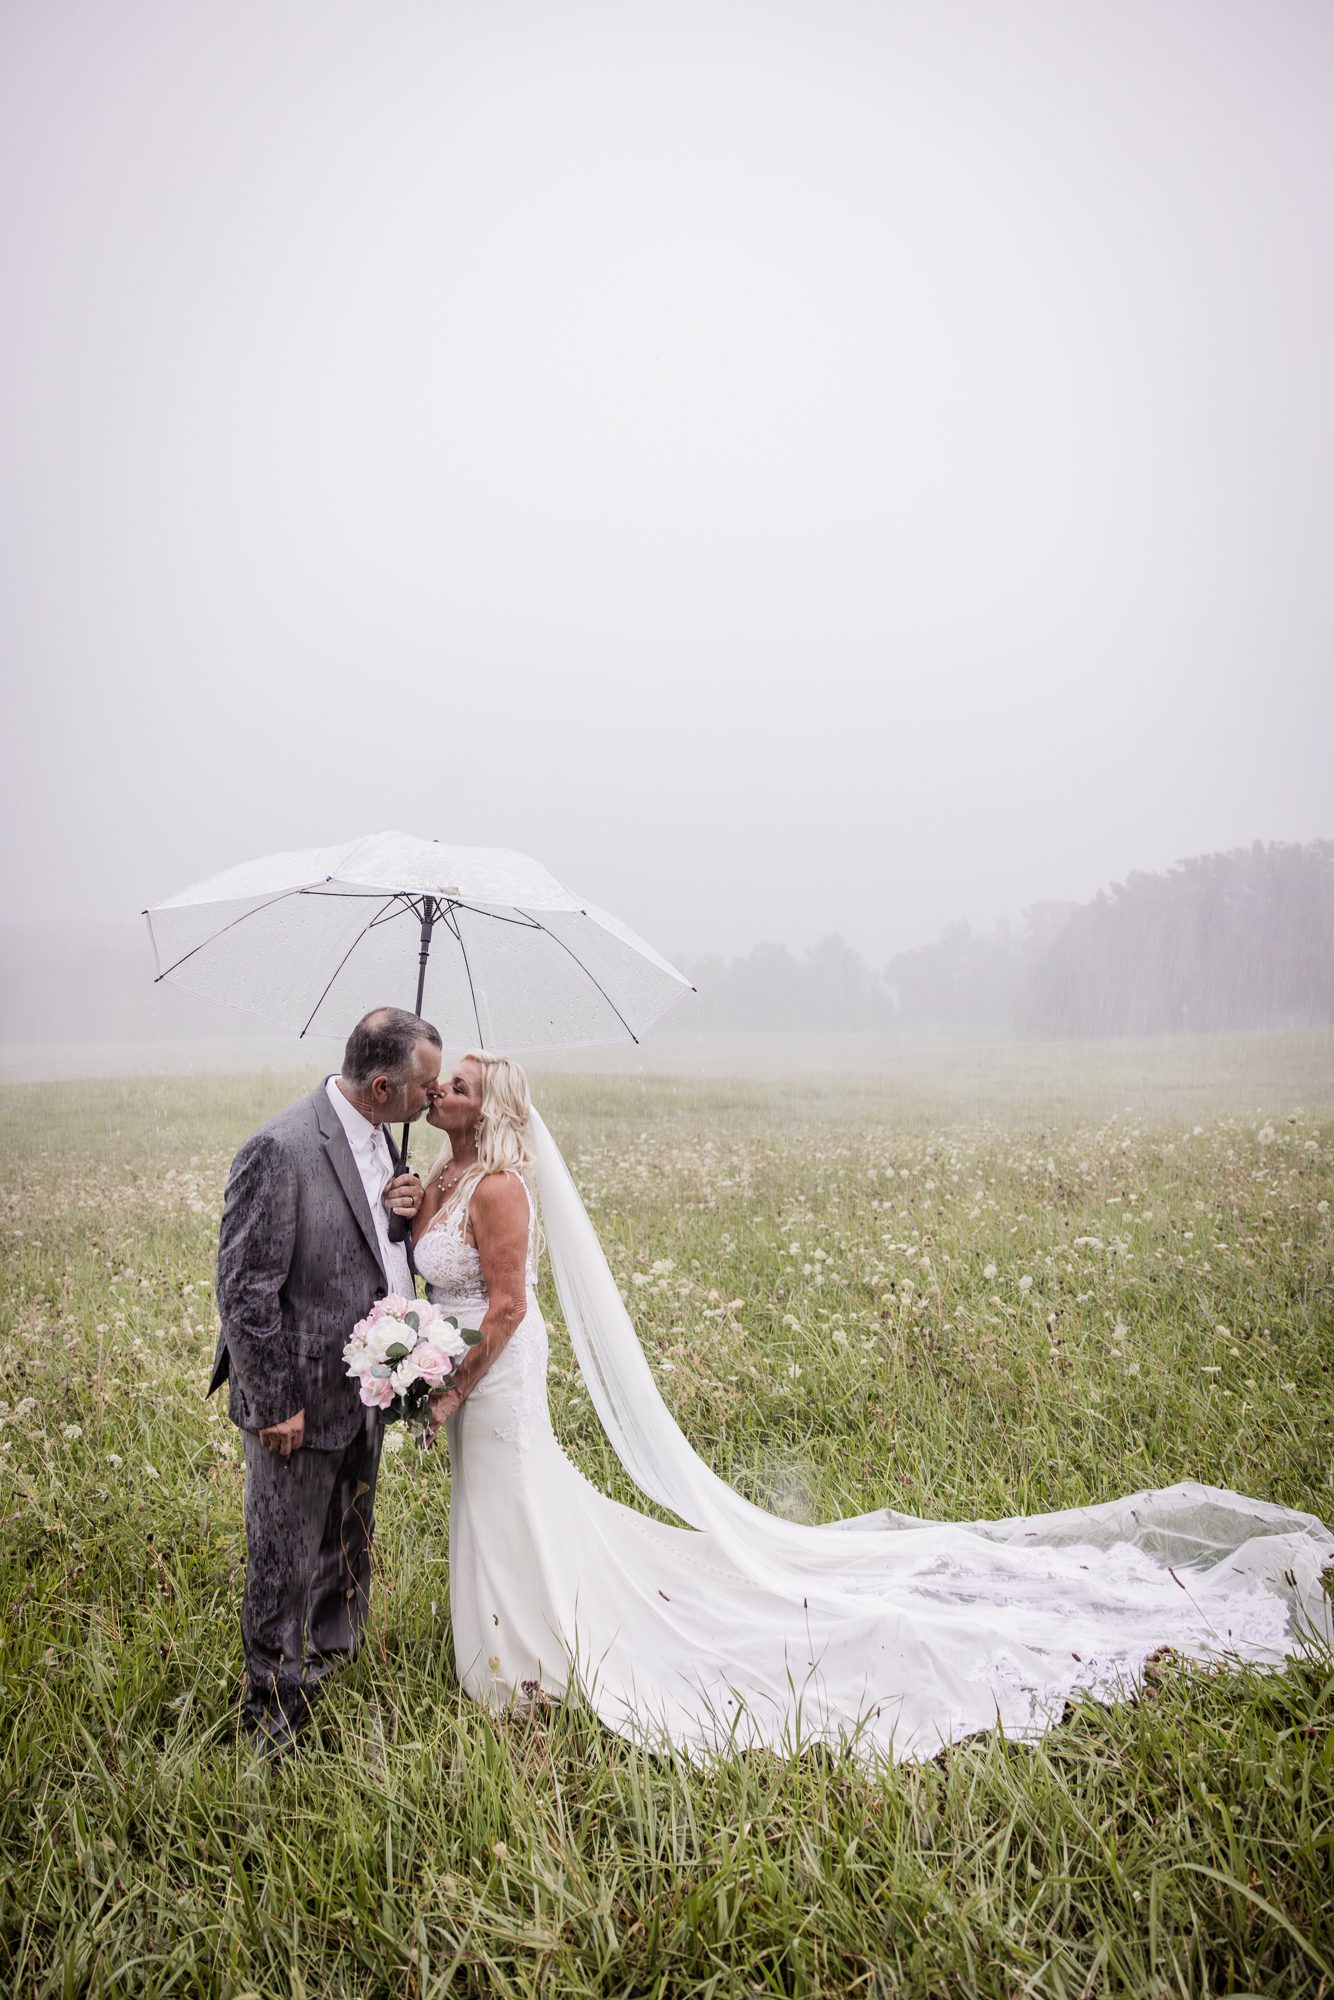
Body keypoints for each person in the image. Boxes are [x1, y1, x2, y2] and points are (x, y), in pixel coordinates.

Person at [406, 1050, 1334, 1765]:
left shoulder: (498, 1187)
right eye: (443, 1081)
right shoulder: (443, 1180)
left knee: (515, 1498)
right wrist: (405, 1205)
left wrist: (450, 1388)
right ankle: (513, 1650)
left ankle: (533, 1666)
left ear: (490, 1108)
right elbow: (427, 1262)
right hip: (465, 1373)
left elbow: (508, 1305)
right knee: (500, 1507)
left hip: (495, 1377)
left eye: (460, 1084)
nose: (442, 1089)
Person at [212, 1007, 440, 1753]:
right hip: (298, 1399)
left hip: (365, 1389)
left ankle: (332, 1668)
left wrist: (402, 1214)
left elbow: (371, 1249)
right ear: (381, 1085)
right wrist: (275, 1403)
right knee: (281, 1554)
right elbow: (245, 1289)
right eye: (422, 1089)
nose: (430, 1102)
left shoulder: (381, 1141)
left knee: (348, 1541)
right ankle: (271, 1713)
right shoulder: (278, 1149)